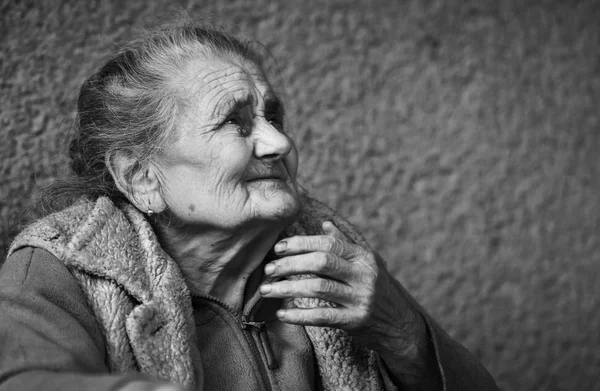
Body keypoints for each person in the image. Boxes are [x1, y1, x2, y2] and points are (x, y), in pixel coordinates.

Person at [0, 23, 499, 391]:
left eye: (274, 116)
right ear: (141, 177)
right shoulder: (64, 266)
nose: (278, 142)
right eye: (236, 123)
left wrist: (401, 329)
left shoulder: (330, 257)